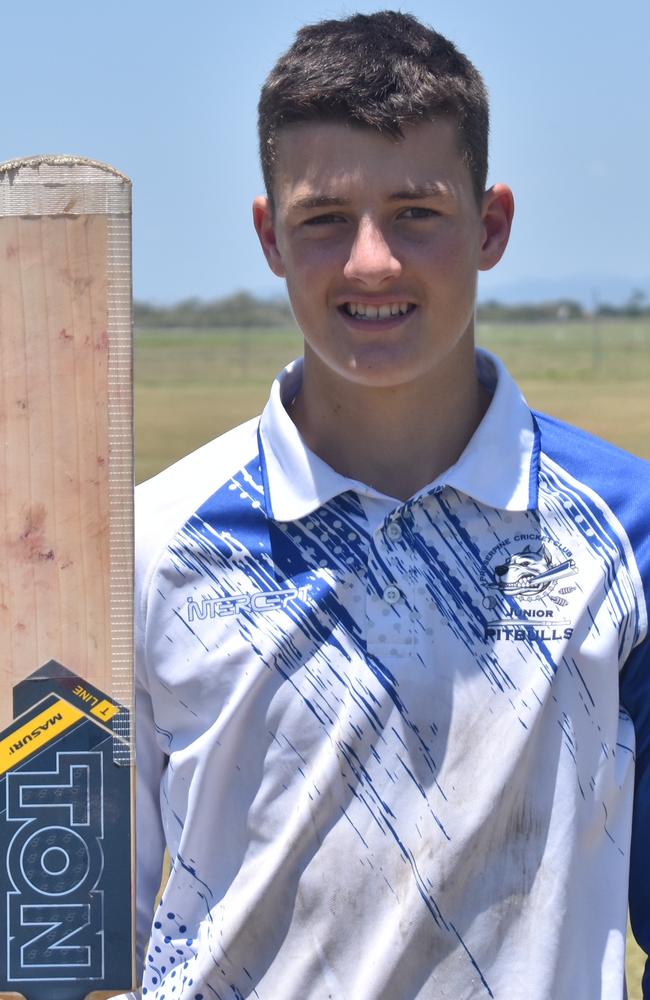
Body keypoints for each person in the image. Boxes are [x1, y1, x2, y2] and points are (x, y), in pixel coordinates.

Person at [132, 11, 650, 999]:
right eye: (325, 218)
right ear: (268, 236)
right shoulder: (148, 543)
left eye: (415, 210)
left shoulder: (626, 535)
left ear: (490, 224)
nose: (370, 261)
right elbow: (67, 948)